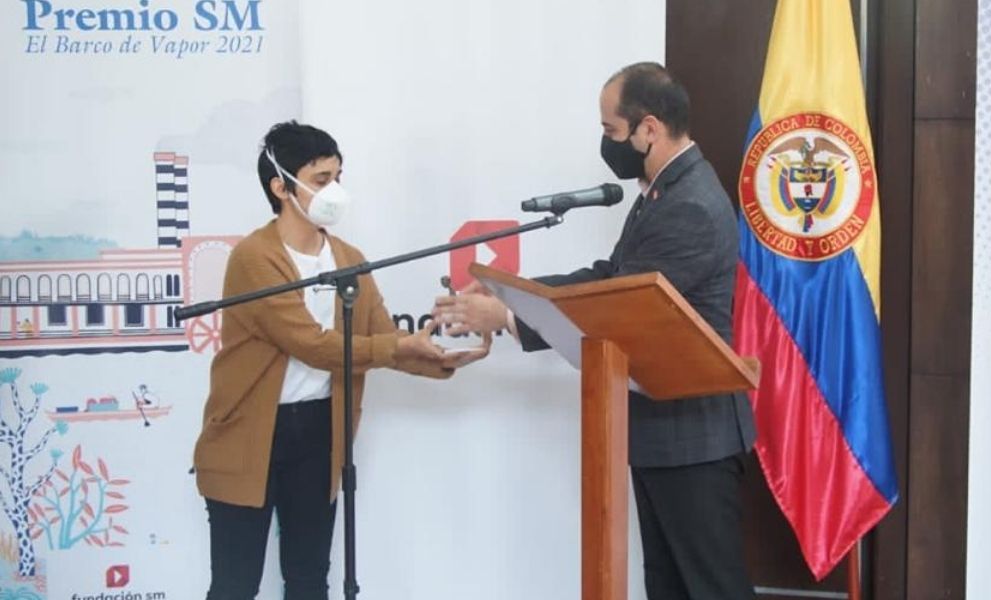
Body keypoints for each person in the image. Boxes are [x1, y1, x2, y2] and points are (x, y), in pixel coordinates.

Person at [434, 63, 756, 600]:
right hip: (662, 434)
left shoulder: (690, 205)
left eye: (611, 130)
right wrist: (512, 291)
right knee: (670, 588)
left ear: (648, 128)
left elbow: (620, 306)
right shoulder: (664, 189)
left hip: (692, 435)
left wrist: (511, 318)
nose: (605, 142)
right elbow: (611, 276)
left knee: (712, 589)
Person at [193, 120, 488, 599]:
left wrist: (444, 359)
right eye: (321, 179)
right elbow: (315, 345)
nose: (335, 191)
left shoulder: (349, 258)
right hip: (248, 433)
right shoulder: (254, 258)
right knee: (234, 585)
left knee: (309, 580)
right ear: (280, 187)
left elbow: (382, 339)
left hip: (319, 433)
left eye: (338, 176)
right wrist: (398, 346)